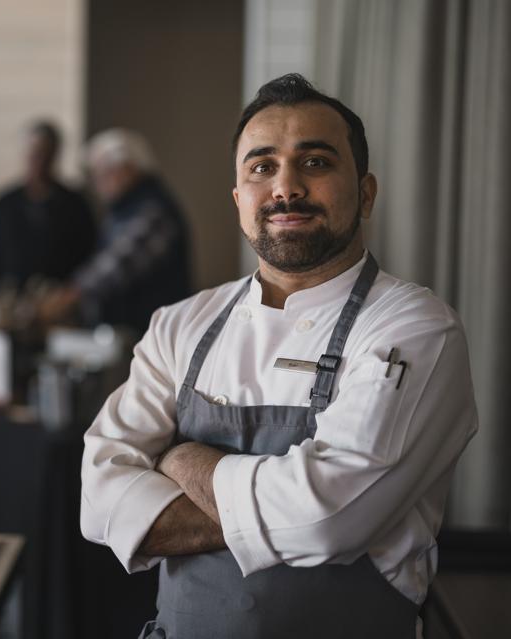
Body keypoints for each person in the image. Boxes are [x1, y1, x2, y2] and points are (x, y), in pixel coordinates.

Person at [80, 74, 477, 638]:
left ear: (366, 192)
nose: (285, 188)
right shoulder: (179, 325)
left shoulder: (416, 329)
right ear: (239, 198)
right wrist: (281, 512)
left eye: (315, 163)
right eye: (262, 167)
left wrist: (180, 459)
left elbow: (327, 520)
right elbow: (99, 504)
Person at [40, 129, 192, 335]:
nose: (97, 183)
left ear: (126, 168)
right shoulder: (124, 208)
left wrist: (68, 296)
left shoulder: (152, 210)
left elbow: (117, 265)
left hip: (151, 332)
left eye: (102, 173)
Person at [0, 120, 96, 295]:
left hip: (60, 303)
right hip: (12, 303)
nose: (38, 161)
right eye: (33, 153)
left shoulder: (75, 204)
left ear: (55, 154)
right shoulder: (4, 204)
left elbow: (90, 259)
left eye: (44, 153)